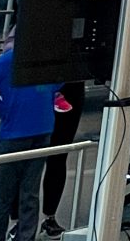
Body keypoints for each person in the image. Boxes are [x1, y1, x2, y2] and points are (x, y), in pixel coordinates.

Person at [0, 44, 56, 241]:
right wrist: (2, 108)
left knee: (14, 194)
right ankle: (11, 237)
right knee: (21, 194)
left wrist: (3, 108)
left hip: (26, 130)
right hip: (31, 130)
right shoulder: (14, 59)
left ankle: (8, 237)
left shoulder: (15, 59)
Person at [38, 84, 82, 237]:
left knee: (58, 158)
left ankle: (50, 217)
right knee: (28, 162)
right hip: (39, 91)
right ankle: (18, 221)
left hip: (71, 91)